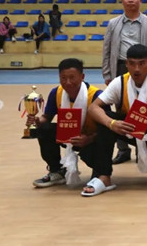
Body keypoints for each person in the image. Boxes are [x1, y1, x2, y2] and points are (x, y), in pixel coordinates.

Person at [85, 44, 147, 197]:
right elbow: (93, 108)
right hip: (132, 128)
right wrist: (112, 124)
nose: (136, 69)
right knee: (106, 120)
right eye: (132, 63)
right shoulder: (120, 82)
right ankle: (104, 176)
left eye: (141, 63)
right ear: (126, 64)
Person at [102, 0, 147, 165]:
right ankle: (123, 150)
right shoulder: (113, 23)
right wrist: (107, 73)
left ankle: (142, 148)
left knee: (143, 107)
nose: (130, 0)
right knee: (121, 108)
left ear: (140, 0)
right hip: (121, 67)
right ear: (122, 0)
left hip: (144, 69)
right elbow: (107, 49)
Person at [29, 58, 103, 188]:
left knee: (102, 141)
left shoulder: (96, 95)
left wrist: (89, 139)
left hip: (91, 138)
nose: (67, 82)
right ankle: (56, 171)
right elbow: (47, 117)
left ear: (82, 77)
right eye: (63, 78)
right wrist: (37, 121)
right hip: (67, 135)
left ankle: (100, 173)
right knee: (44, 129)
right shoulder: (56, 93)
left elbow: (106, 129)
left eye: (72, 77)